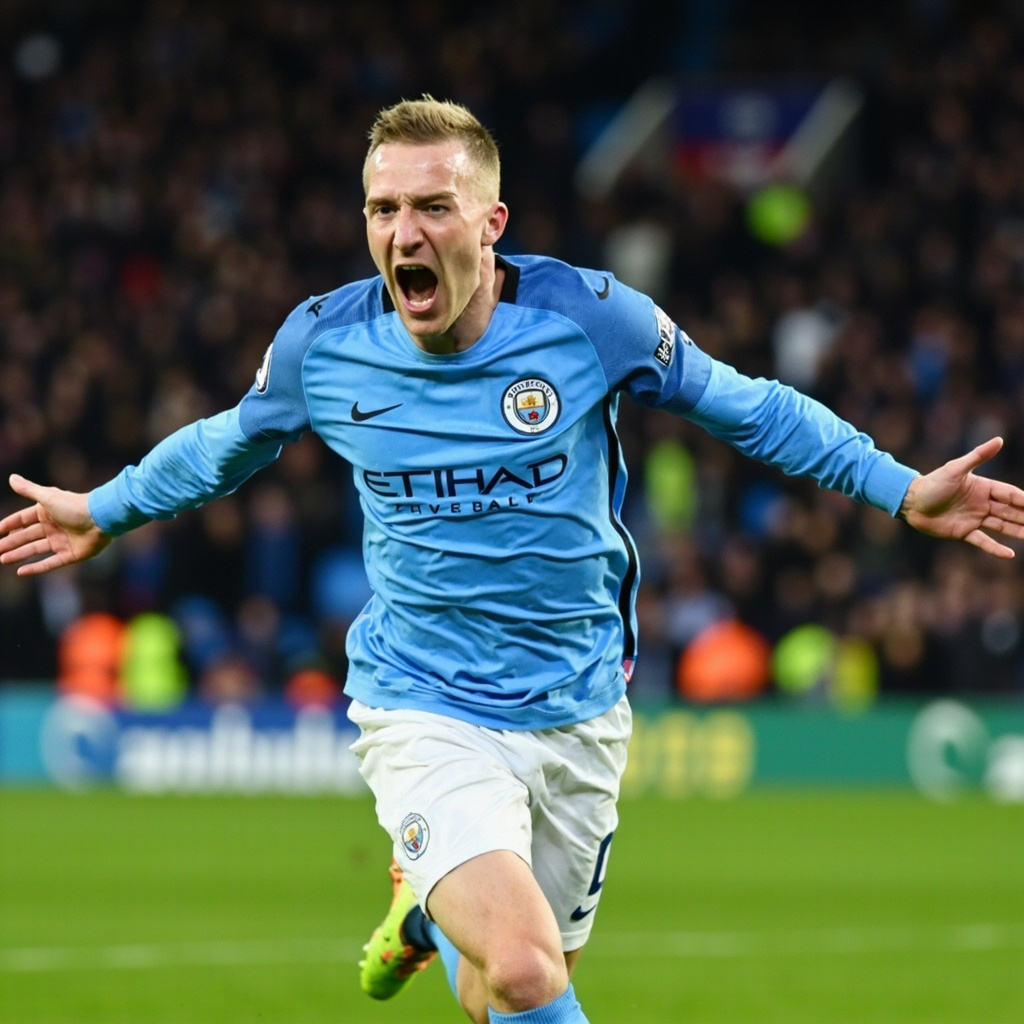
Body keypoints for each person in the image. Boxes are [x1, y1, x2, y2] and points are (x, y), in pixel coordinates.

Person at [3, 96, 1024, 1024]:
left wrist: (898, 487)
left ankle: (424, 911)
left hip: (579, 704)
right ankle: (439, 890)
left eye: (433, 207)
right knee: (531, 972)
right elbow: (228, 442)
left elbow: (747, 406)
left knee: (496, 992)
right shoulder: (325, 344)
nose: (404, 233)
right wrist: (104, 510)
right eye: (383, 209)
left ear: (492, 223)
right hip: (422, 700)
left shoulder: (589, 320)